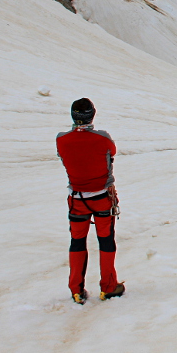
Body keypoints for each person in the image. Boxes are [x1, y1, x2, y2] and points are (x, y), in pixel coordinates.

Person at [56, 98, 125, 304]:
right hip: (102, 197)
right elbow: (111, 152)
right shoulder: (103, 138)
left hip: (77, 199)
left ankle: (76, 289)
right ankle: (109, 286)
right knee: (106, 240)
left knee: (77, 241)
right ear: (92, 115)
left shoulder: (61, 139)